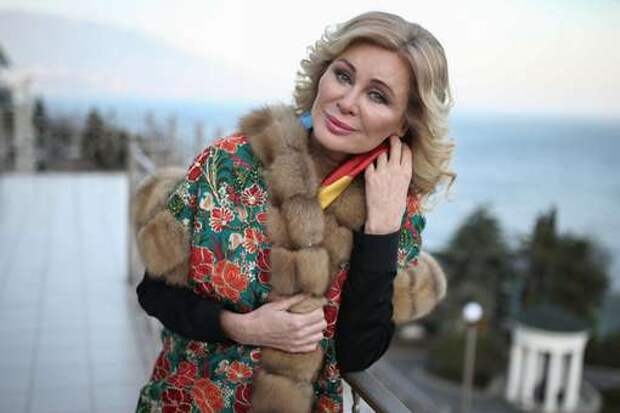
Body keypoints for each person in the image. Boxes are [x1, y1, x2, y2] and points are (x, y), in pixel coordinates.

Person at [133, 11, 454, 413]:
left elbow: (356, 354)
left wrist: (382, 229)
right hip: (184, 402)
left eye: (377, 96)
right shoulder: (228, 163)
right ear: (322, 74)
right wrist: (238, 326)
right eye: (343, 75)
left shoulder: (395, 209)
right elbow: (153, 292)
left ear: (404, 122)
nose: (347, 102)